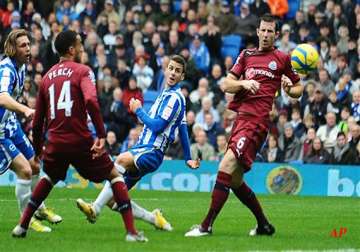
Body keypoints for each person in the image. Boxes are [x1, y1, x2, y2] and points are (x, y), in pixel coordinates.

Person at [11, 30, 147, 242]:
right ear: (72, 49)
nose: (83, 48)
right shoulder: (83, 71)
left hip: (55, 142)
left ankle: (22, 225)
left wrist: (37, 151)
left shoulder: (46, 78)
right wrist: (101, 134)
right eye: (80, 44)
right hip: (80, 140)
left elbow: (37, 122)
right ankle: (131, 232)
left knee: (48, 178)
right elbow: (92, 101)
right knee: (115, 175)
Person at [185, 14, 304, 237]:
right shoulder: (246, 55)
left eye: (271, 31)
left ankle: (206, 226)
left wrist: (289, 89)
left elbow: (299, 88)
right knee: (235, 179)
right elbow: (227, 85)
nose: (267, 34)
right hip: (241, 120)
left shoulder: (282, 58)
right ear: (258, 32)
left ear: (276, 35)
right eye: (264, 30)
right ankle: (263, 225)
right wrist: (243, 82)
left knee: (226, 165)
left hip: (257, 123)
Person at [76, 55, 200, 230]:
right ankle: (154, 219)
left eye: (177, 71)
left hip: (152, 150)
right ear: (165, 70)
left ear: (182, 77)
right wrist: (188, 157)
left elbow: (157, 126)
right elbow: (183, 127)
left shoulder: (175, 98)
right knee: (114, 200)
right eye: (170, 68)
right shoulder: (166, 94)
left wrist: (139, 111)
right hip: (143, 148)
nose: (173, 73)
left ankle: (95, 208)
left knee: (119, 160)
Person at [0, 29, 61, 233]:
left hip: (11, 125)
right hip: (0, 132)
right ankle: (25, 220)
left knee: (35, 164)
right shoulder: (7, 69)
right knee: (25, 170)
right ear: (12, 49)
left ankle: (39, 209)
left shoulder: (22, 67)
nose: (28, 48)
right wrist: (25, 109)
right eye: (23, 45)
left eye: (28, 44)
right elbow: (2, 97)